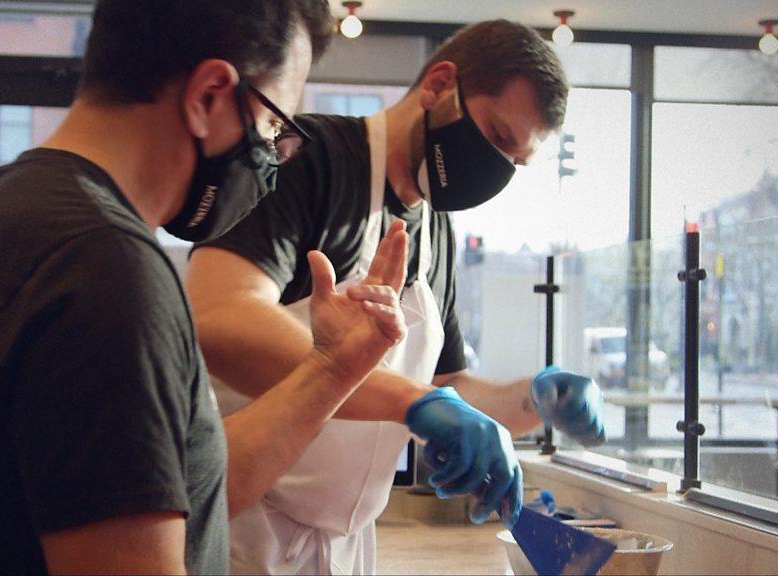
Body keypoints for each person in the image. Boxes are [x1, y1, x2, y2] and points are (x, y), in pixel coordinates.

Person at [0, 1, 420, 574]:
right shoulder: (103, 271)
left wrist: (332, 370)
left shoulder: (20, 212)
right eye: (273, 126)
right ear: (207, 96)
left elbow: (176, 493)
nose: (273, 158)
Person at [186, 19, 607, 575]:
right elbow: (218, 314)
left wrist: (531, 400)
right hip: (241, 531)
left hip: (348, 545)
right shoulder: (311, 162)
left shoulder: (436, 230)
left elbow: (442, 386)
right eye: (498, 137)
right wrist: (416, 404)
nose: (498, 169)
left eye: (515, 162)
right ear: (438, 85)